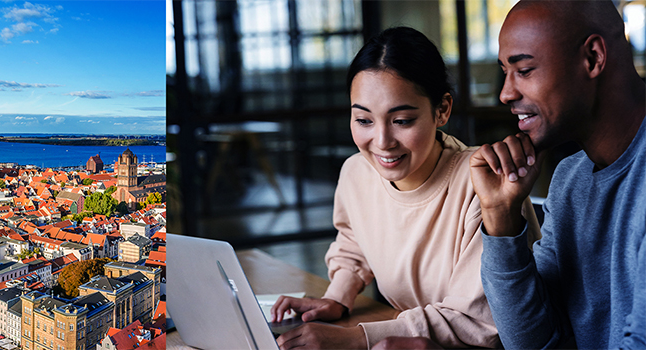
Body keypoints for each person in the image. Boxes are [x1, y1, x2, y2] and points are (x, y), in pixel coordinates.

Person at [271, 26, 537, 349]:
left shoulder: (485, 185)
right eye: (364, 120)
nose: (381, 143)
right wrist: (337, 296)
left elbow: (479, 321)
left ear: (442, 110)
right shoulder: (358, 171)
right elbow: (356, 240)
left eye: (402, 121)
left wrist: (358, 338)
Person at [470, 1, 646, 348]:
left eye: (524, 70)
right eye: (505, 71)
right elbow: (534, 342)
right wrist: (500, 217)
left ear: (593, 58)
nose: (506, 93)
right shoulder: (570, 180)